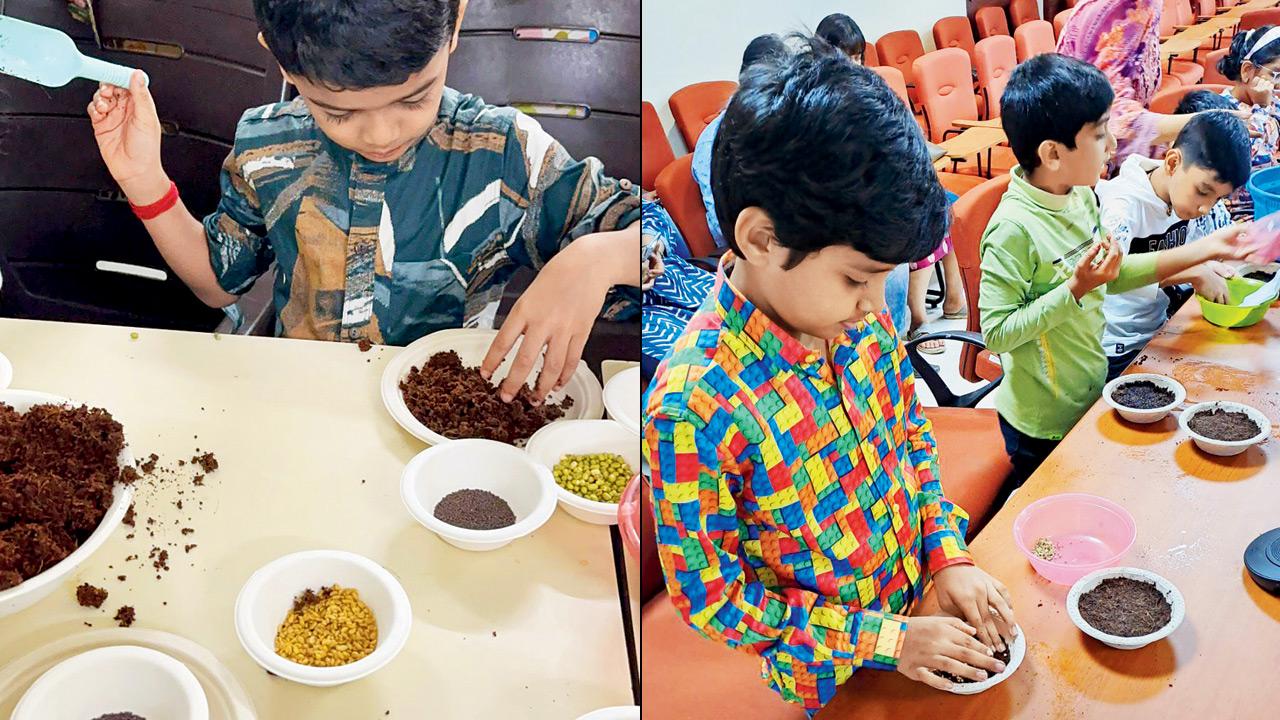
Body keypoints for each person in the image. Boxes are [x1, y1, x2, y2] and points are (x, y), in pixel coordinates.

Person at [646, 38, 1018, 717]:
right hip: (834, 676)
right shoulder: (692, 405)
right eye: (857, 278)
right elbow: (712, 599)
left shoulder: (858, 323)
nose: (878, 306)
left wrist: (947, 556)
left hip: (924, 614)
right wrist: (886, 640)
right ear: (760, 240)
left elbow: (911, 438)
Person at [86, 0, 640, 403]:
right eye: (338, 112)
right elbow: (215, 284)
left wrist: (600, 257)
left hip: (448, 424)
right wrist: (145, 181)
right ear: (279, 60)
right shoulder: (267, 144)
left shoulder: (506, 153)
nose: (379, 135)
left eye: (414, 97)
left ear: (456, 21)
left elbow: (655, 237)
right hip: (298, 407)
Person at [979, 54, 1253, 493]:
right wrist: (1075, 288)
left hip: (1087, 390)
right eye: (1099, 134)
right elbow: (996, 333)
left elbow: (1116, 274)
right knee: (1052, 507)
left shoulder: (1081, 198)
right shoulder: (1013, 228)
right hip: (1041, 418)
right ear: (1052, 153)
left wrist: (1204, 250)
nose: (1112, 146)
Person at [1098, 111, 1250, 381]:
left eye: (1218, 199)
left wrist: (1204, 264)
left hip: (1157, 331)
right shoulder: (1121, 206)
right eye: (1203, 192)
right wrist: (1195, 271)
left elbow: (1175, 258)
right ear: (1172, 162)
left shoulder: (1181, 198)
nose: (1205, 208)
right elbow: (1110, 276)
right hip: (1114, 345)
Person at [1056, 0, 1243, 169]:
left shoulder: (1148, 5)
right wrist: (1205, 125)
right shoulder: (1123, 7)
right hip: (1081, 161)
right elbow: (1114, 118)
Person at [693, 33, 788, 249]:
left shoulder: (779, 122)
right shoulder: (713, 141)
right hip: (749, 248)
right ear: (746, 81)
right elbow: (723, 225)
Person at [1214, 27, 1280, 220]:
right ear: (1247, 70)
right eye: (1275, 75)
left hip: (1270, 199)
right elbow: (1254, 156)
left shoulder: (1271, 101)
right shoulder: (1222, 110)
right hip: (1239, 214)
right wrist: (1261, 108)